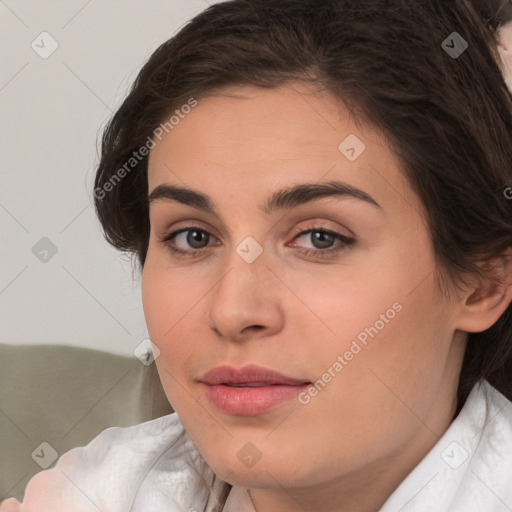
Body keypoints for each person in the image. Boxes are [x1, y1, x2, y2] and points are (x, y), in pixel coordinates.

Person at [2, 0, 512, 510]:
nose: (232, 311)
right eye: (193, 237)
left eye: (320, 238)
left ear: (484, 281)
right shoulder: (91, 495)